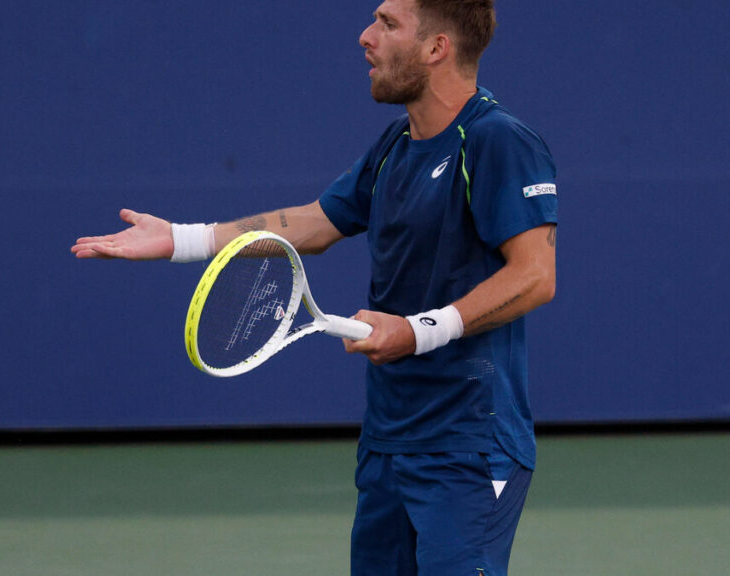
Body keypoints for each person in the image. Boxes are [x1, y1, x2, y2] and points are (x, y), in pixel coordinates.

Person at [71, 0, 557, 574]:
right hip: (390, 441)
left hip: (468, 446)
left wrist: (419, 331)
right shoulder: (393, 148)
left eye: (387, 23)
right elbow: (314, 223)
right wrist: (182, 239)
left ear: (436, 48)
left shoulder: (497, 141)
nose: (364, 37)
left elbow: (534, 276)